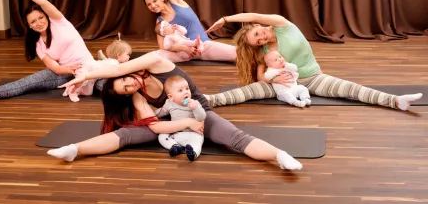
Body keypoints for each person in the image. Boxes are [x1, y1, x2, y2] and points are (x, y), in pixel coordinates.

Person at [47, 52, 303, 171]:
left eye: (126, 81)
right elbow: (156, 126)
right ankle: (74, 150)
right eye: (126, 90)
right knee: (125, 135)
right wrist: (184, 126)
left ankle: (280, 156)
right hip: (171, 120)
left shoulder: (158, 63)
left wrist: (84, 77)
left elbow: (114, 71)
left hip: (199, 112)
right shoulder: (137, 95)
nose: (130, 85)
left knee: (235, 138)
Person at [204, 13, 423, 111]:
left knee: (350, 89)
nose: (261, 38)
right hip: (282, 85)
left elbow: (252, 13)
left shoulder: (282, 24)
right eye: (257, 41)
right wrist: (274, 78)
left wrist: (225, 20)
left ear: (257, 25)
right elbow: (261, 75)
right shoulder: (263, 51)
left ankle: (396, 101)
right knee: (250, 91)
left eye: (258, 33)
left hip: (313, 78)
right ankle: (210, 100)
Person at [0, 0, 94, 104]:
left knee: (106, 85)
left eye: (41, 18)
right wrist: (69, 69)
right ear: (30, 26)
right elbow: (55, 68)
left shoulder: (59, 22)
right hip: (64, 72)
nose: (39, 23)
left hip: (89, 67)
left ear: (46, 16)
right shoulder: (37, 44)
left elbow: (42, 1)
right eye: (33, 22)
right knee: (28, 82)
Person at [155, 75, 206, 161]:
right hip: (176, 134)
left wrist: (195, 108)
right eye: (180, 91)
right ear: (171, 97)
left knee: (198, 141)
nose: (186, 92)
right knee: (162, 136)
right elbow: (162, 112)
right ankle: (175, 146)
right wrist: (153, 115)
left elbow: (202, 117)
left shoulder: (194, 103)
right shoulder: (169, 104)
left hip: (193, 134)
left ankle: (193, 153)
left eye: (187, 89)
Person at [65, 39, 133, 102]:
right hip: (87, 70)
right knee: (82, 86)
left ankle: (69, 89)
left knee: (88, 91)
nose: (129, 57)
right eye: (128, 55)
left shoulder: (112, 61)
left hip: (90, 69)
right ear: (119, 55)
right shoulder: (115, 64)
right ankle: (72, 93)